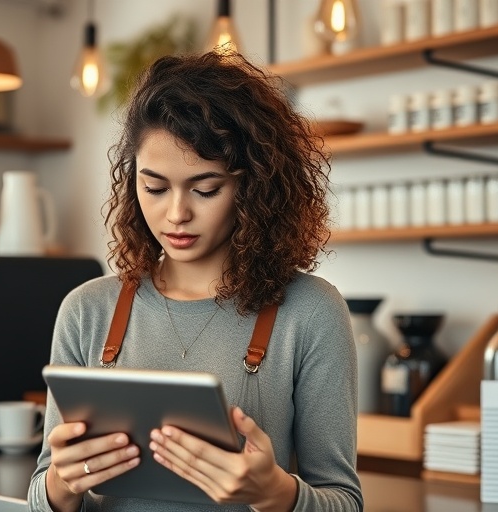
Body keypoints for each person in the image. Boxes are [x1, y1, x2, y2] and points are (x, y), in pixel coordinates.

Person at [28, 50, 362, 512]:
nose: (176, 214)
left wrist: (276, 493)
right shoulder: (88, 311)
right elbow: (44, 490)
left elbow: (344, 501)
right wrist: (62, 487)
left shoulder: (310, 311)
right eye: (155, 187)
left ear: (254, 185)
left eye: (205, 189)